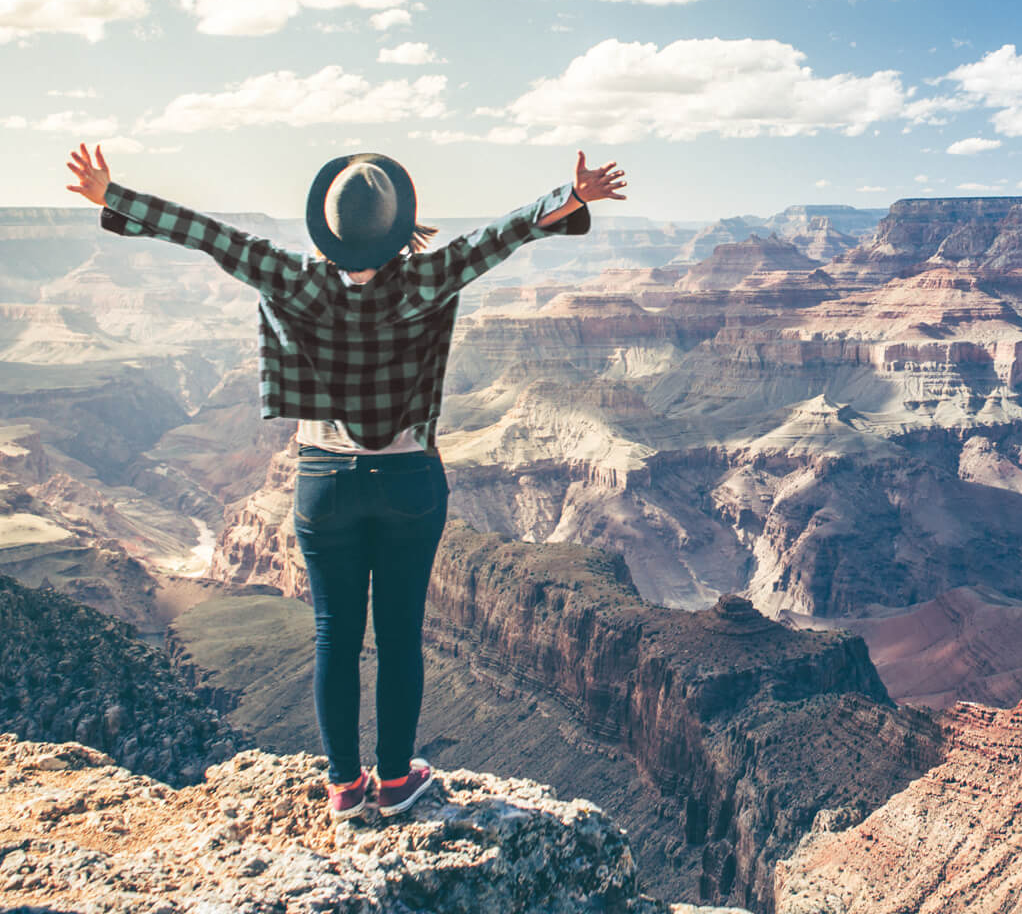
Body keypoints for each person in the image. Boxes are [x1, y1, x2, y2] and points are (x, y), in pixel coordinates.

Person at [65, 142, 626, 819]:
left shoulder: (291, 278)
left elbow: (204, 233)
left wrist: (111, 195)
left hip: (323, 481)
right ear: (396, 226)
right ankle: (395, 781)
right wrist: (568, 196)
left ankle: (342, 785)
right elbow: (500, 236)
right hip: (409, 482)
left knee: (334, 633)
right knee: (398, 635)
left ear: (326, 228)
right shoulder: (428, 278)